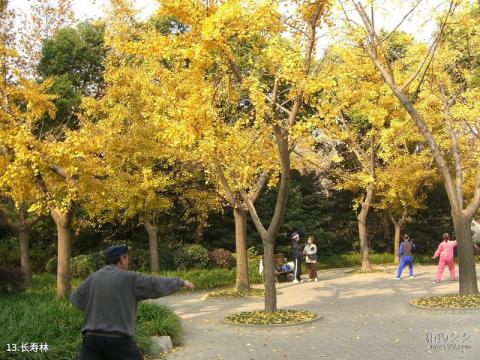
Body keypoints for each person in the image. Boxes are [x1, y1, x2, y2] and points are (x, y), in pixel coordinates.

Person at [70, 244, 195, 360]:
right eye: (127, 258)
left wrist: (96, 306)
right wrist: (180, 282)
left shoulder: (93, 278)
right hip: (119, 342)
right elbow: (154, 284)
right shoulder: (130, 278)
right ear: (122, 259)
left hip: (92, 340)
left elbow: (75, 298)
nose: (127, 261)